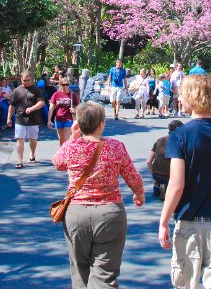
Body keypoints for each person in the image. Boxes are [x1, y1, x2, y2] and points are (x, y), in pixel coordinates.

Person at [158, 74, 211, 289]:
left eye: (182, 95)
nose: (179, 99)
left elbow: (177, 186)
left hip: (188, 221)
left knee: (186, 283)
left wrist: (164, 221)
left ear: (191, 97)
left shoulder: (179, 136)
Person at [52, 102, 145, 288]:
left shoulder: (72, 147)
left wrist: (72, 137)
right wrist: (139, 193)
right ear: (101, 123)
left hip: (77, 213)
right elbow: (132, 175)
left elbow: (58, 163)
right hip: (109, 212)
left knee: (79, 270)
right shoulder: (116, 147)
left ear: (78, 123)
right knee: (105, 274)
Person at [6, 70, 45, 168]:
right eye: (24, 80)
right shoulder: (17, 91)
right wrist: (9, 118)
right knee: (20, 139)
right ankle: (19, 161)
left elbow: (41, 103)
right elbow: (12, 105)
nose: (27, 82)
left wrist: (32, 108)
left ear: (31, 79)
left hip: (34, 118)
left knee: (33, 140)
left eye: (28, 80)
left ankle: (32, 154)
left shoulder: (36, 90)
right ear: (21, 80)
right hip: (20, 118)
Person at [146, 120, 184, 199]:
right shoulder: (182, 142)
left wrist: (153, 174)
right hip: (172, 176)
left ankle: (157, 185)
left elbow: (148, 161)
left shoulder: (160, 140)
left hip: (157, 175)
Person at [49, 77, 79, 146]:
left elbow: (77, 105)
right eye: (63, 85)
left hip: (68, 118)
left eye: (67, 85)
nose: (65, 86)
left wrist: (75, 110)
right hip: (59, 118)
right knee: (61, 138)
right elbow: (51, 107)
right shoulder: (56, 94)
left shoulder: (72, 94)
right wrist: (49, 120)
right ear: (60, 85)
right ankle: (62, 153)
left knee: (66, 137)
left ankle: (67, 153)